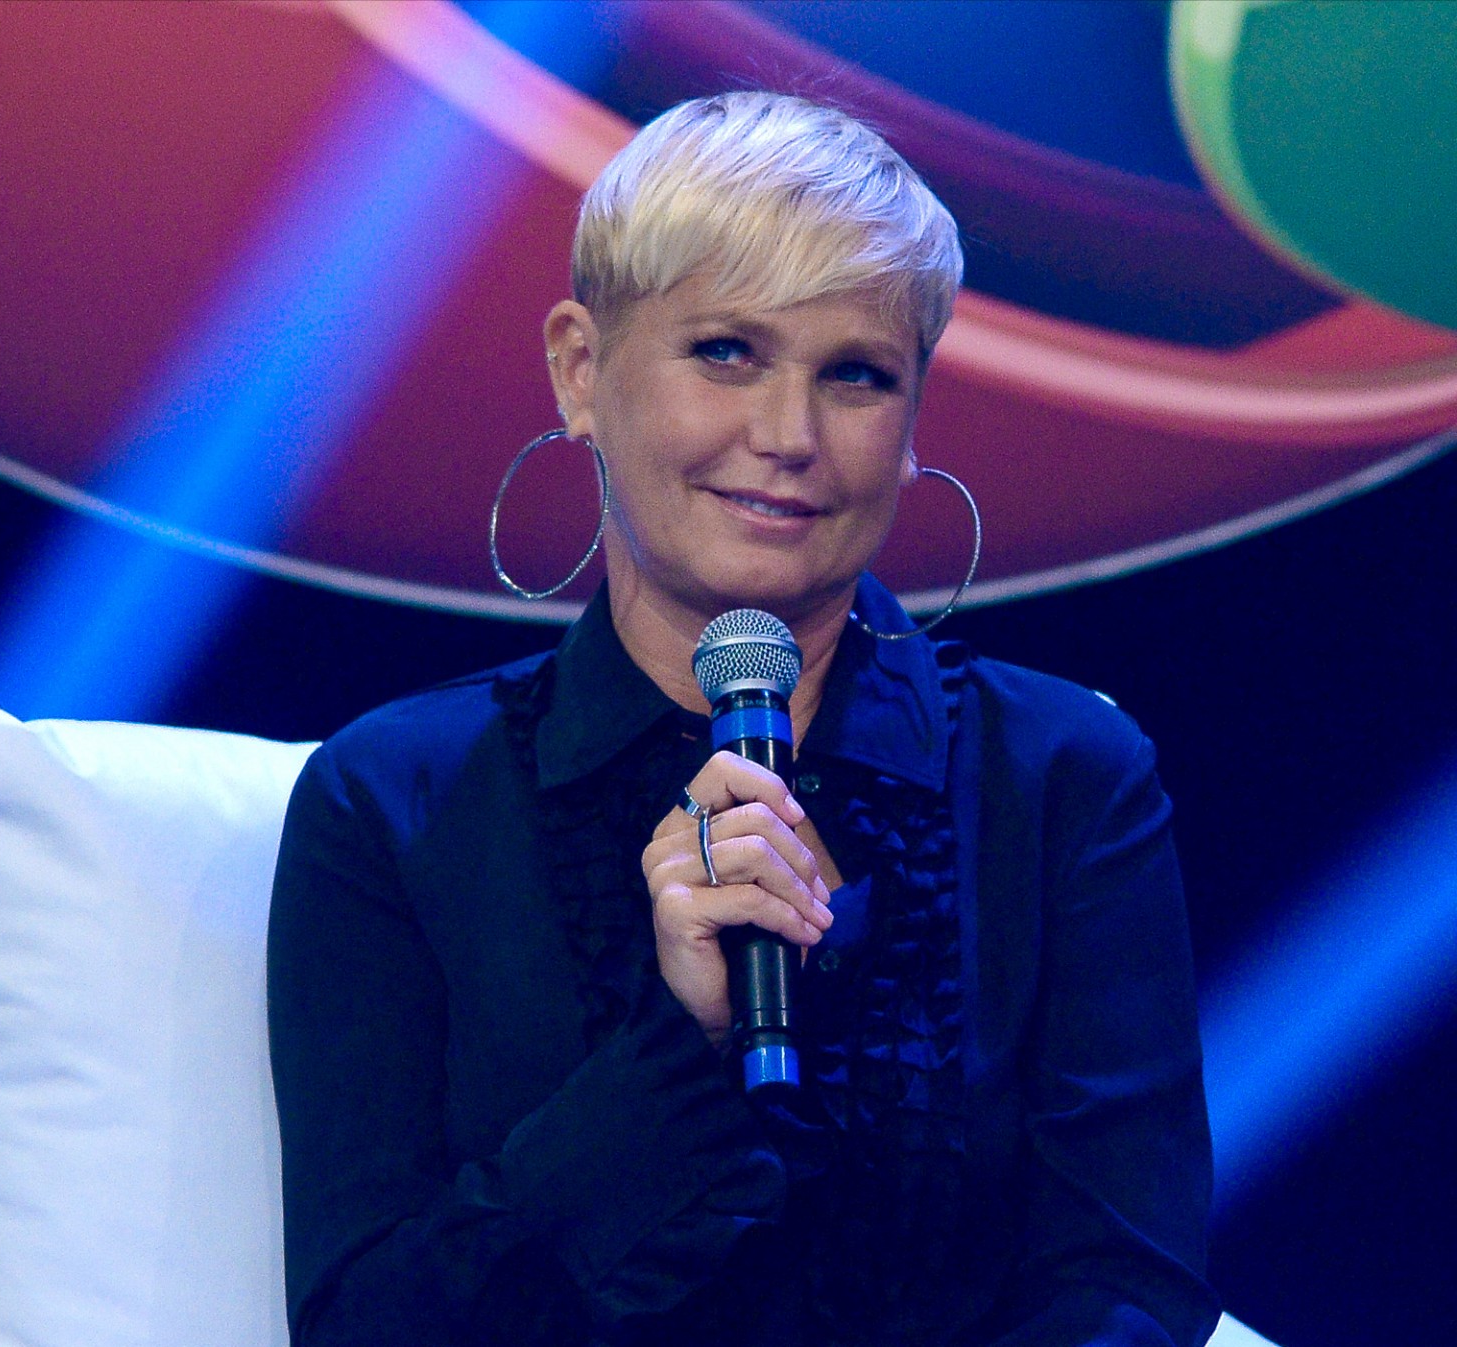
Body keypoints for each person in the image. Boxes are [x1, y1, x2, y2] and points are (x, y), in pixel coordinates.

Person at [267, 91, 1218, 1346]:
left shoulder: (1062, 779)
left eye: (857, 376)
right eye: (727, 352)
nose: (788, 437)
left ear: (914, 417)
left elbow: (1128, 1284)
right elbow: (365, 1324)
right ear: (581, 369)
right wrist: (681, 1046)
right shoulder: (394, 802)